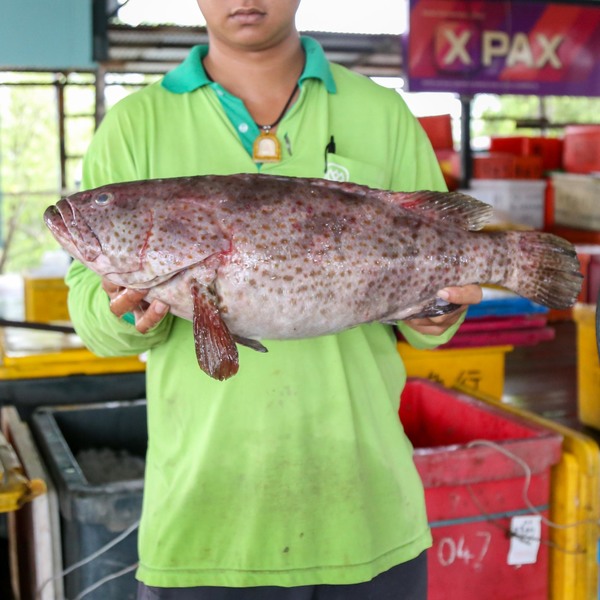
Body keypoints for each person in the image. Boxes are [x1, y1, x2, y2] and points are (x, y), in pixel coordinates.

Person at [65, 1, 482, 598]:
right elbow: (90, 314)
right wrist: (125, 308)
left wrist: (444, 304)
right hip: (205, 526)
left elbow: (427, 327)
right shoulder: (135, 124)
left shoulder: (382, 112)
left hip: (369, 517)